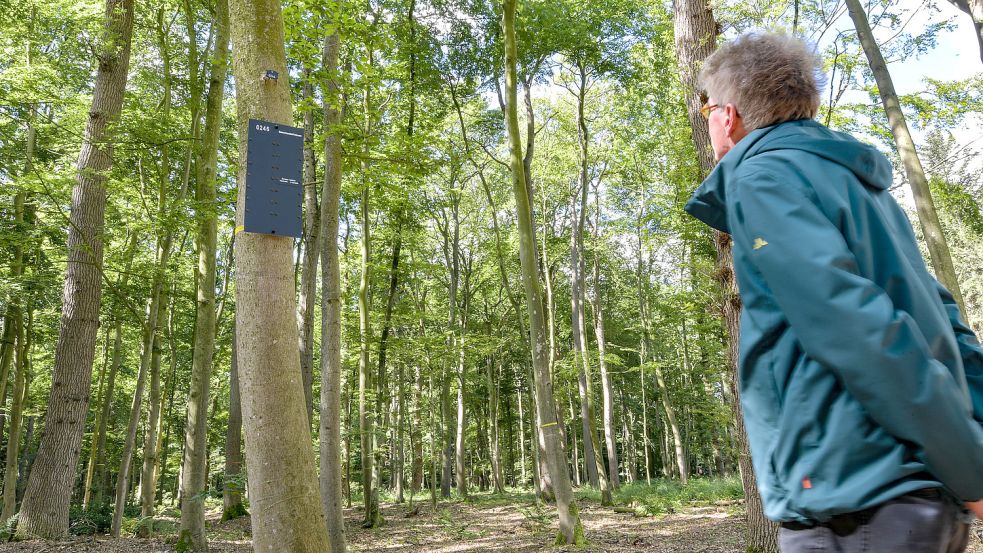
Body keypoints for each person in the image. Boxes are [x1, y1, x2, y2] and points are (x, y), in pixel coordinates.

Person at [684, 31, 983, 552]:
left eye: (707, 106)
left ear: (725, 115)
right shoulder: (861, 189)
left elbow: (858, 328)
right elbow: (948, 326)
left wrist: (972, 470)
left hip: (858, 501)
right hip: (912, 500)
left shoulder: (762, 177)